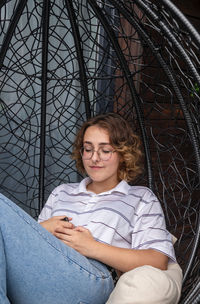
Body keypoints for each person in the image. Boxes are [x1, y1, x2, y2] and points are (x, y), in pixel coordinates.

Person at [0, 113, 181, 304]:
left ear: (122, 153)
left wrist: (91, 247)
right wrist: (43, 229)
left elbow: (157, 260)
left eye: (105, 150)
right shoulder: (62, 192)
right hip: (43, 276)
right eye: (88, 149)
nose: (94, 158)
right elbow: (26, 248)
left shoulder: (141, 198)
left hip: (93, 278)